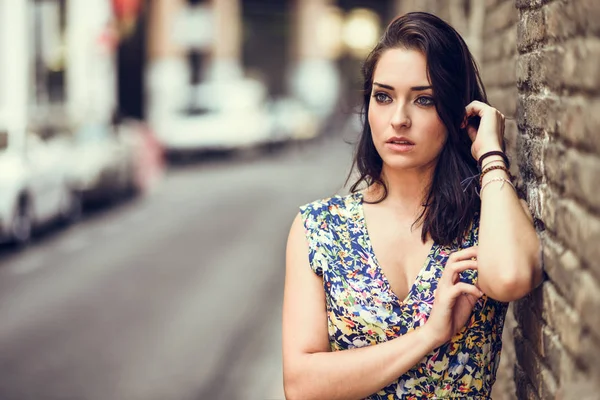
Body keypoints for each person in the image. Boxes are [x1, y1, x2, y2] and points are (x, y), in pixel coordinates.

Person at [282, 12, 543, 400]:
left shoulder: (487, 218)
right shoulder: (319, 228)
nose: (399, 119)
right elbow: (302, 385)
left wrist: (490, 153)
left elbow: (510, 278)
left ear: (458, 114)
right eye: (383, 97)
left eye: (424, 100)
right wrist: (429, 336)